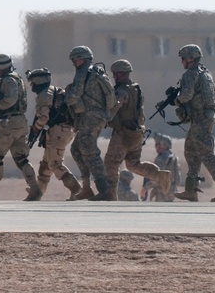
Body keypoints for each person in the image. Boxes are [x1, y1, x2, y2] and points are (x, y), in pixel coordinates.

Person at [102, 59, 172, 199]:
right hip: (137, 133)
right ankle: (159, 175)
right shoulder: (136, 89)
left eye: (115, 74)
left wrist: (104, 118)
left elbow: (114, 108)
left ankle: (110, 194)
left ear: (121, 74)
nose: (114, 77)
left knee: (111, 163)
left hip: (123, 135)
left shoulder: (121, 91)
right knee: (133, 164)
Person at [0, 54, 42, 201]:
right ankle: (35, 188)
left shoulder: (9, 80)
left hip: (10, 123)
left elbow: (10, 100)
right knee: (21, 158)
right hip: (19, 123)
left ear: (3, 67)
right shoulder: (16, 78)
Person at [173, 44, 215, 202]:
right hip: (205, 118)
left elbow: (186, 95)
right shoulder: (204, 73)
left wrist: (176, 99)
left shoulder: (190, 74)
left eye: (183, 59)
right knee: (190, 151)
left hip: (200, 119)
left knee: (206, 154)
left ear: (190, 59)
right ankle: (190, 189)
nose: (182, 62)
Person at [65, 45, 116, 201]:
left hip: (90, 117)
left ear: (82, 59)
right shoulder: (98, 72)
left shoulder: (82, 73)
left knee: (90, 152)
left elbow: (73, 96)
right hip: (100, 117)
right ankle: (87, 188)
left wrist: (67, 96)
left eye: (75, 59)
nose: (74, 62)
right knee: (76, 149)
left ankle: (105, 190)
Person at [26, 68, 82, 200]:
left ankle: (76, 188)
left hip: (58, 131)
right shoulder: (56, 91)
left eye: (33, 82)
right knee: (46, 164)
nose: (31, 85)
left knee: (54, 163)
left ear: (39, 81)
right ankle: (37, 193)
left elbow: (43, 117)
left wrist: (36, 128)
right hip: (62, 130)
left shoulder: (44, 95)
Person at [142, 134, 182, 201]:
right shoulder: (172, 157)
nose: (156, 147)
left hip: (162, 192)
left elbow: (158, 176)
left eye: (157, 144)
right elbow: (177, 180)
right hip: (171, 191)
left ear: (163, 145)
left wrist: (145, 188)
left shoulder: (162, 158)